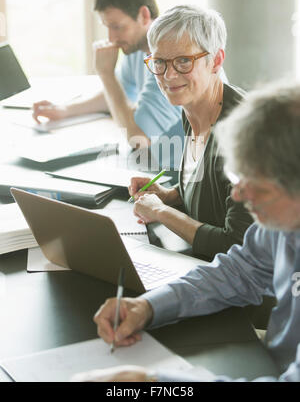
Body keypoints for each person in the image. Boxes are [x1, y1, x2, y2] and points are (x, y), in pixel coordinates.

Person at [74, 81, 300, 382]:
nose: (238, 196)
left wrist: (155, 384)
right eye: (237, 176)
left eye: (257, 186)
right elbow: (238, 272)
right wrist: (148, 307)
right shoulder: (280, 223)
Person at [129, 5, 252, 260]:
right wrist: (169, 196)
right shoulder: (193, 108)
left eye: (184, 61)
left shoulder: (245, 136)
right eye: (160, 62)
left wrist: (161, 212)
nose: (169, 75)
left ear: (216, 61)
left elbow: (236, 246)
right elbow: (216, 192)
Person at [32, 0, 184, 149]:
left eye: (117, 27)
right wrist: (65, 110)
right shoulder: (137, 48)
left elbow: (138, 139)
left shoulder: (168, 61)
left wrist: (106, 74)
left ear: (143, 15)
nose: (112, 38)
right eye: (107, 27)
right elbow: (117, 94)